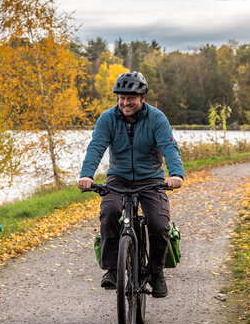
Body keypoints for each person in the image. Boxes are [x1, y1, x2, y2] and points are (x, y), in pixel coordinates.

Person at [77, 71, 184, 297]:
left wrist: (176, 174)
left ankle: (156, 273)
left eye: (131, 98)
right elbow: (96, 147)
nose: (125, 103)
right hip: (119, 177)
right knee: (109, 211)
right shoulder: (108, 118)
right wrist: (87, 175)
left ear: (143, 97)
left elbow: (169, 147)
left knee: (159, 224)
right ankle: (113, 270)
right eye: (121, 98)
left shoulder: (157, 118)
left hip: (151, 179)